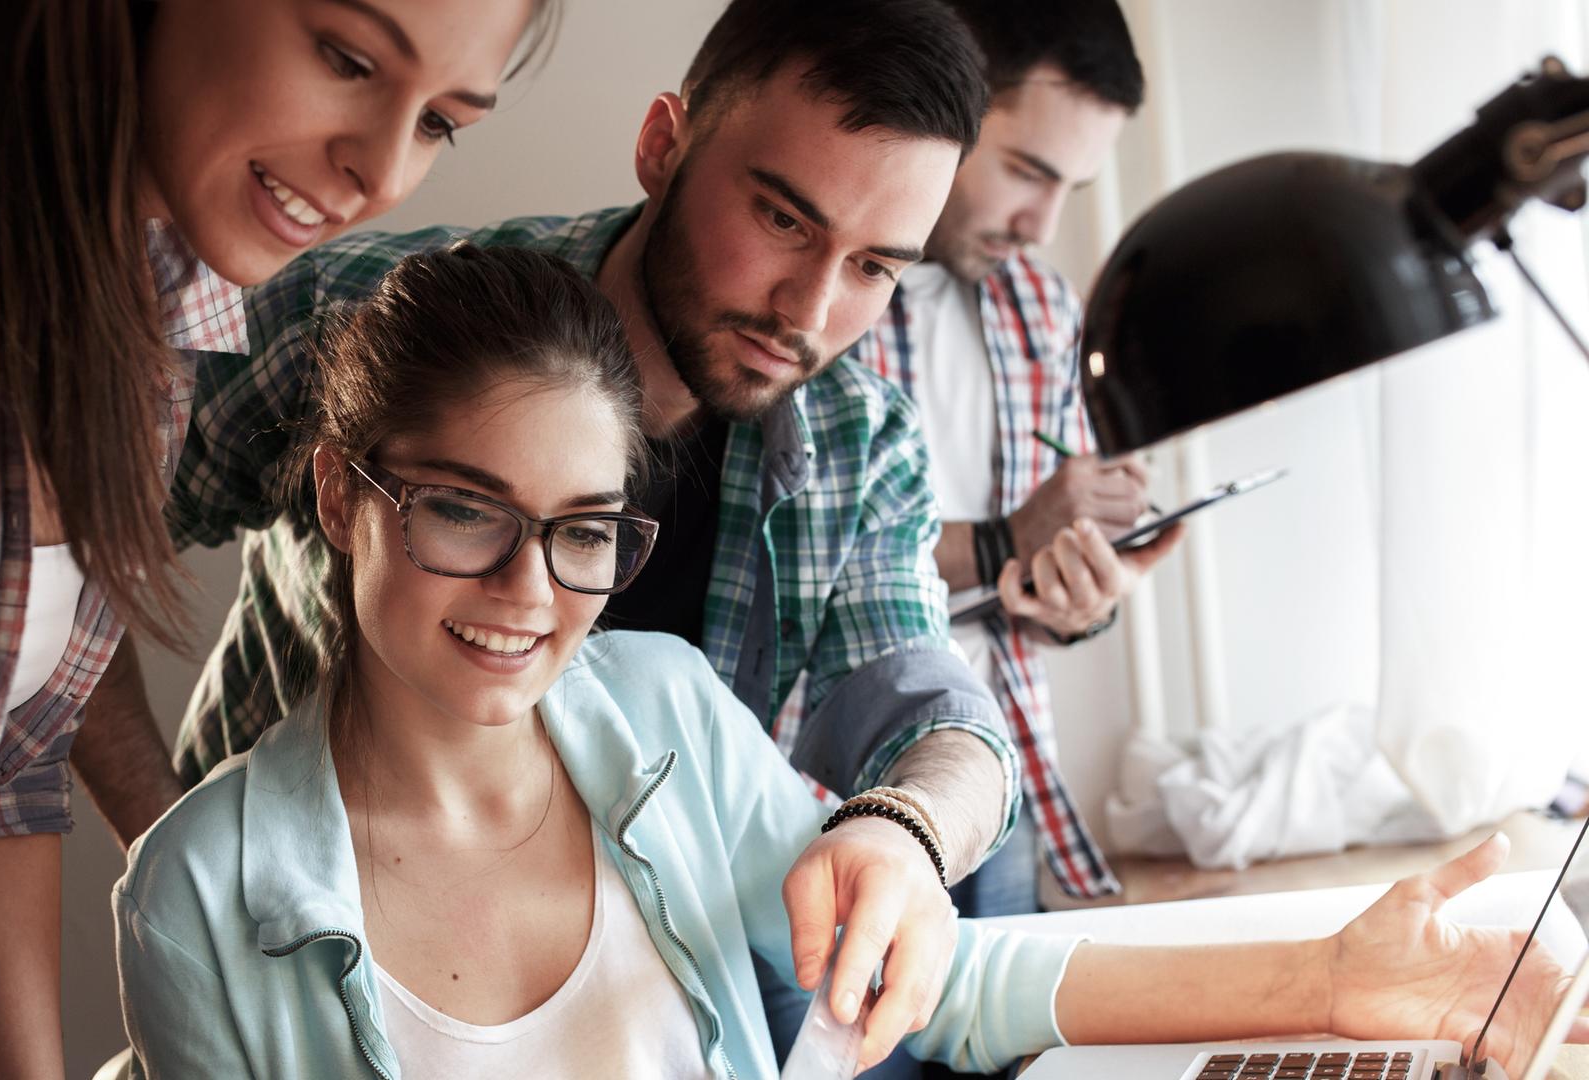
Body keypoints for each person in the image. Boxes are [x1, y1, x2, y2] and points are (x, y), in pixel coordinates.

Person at [115, 242, 1581, 1080]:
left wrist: (1334, 976)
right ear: (334, 496)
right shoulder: (195, 899)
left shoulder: (661, 713)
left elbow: (928, 979)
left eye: (581, 531)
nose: (525, 591)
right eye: (460, 511)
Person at [81, 0, 1008, 1062]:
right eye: (784, 221)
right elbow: (57, 548)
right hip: (305, 979)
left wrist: (908, 832)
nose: (808, 308)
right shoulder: (370, 321)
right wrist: (179, 849)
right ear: (664, 145)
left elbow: (930, 711)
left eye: (875, 267)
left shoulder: (859, 439)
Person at [0, 0, 553, 1076]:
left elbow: (1, 765)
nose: (381, 173)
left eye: (440, 122)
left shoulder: (160, 294)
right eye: (346, 58)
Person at [854, 0, 1182, 919]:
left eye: (1069, 190)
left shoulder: (1042, 302)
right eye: (1028, 171)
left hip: (1003, 772)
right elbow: (804, 566)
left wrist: (1084, 592)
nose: (1042, 224)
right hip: (830, 796)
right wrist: (1004, 540)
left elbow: (1035, 596)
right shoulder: (818, 296)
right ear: (946, 104)